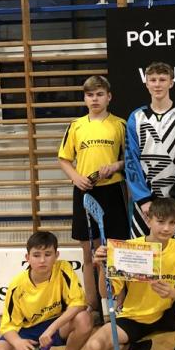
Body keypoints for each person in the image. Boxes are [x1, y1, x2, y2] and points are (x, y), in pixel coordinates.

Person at [84, 197, 175, 350]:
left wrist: (172, 292)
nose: (166, 228)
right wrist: (104, 267)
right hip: (133, 317)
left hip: (166, 313)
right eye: (160, 221)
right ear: (148, 220)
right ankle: (135, 347)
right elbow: (106, 294)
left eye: (172, 223)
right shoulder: (128, 249)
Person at [0, 231, 92, 350]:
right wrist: (18, 343)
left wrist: (51, 329)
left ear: (56, 255)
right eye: (36, 255)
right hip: (26, 332)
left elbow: (79, 304)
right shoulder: (17, 286)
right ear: (28, 258)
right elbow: (7, 326)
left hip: (56, 326)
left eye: (48, 254)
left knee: (84, 319)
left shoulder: (63, 269)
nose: (42, 260)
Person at [58, 75, 128, 324]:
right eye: (90, 95)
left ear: (109, 97)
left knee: (116, 252)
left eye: (99, 94)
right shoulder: (76, 126)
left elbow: (130, 159)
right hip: (85, 192)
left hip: (113, 191)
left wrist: (116, 165)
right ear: (85, 99)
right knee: (89, 254)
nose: (95, 99)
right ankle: (94, 307)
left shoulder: (120, 125)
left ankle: (119, 307)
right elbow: (64, 159)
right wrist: (76, 178)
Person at [125, 61, 175, 261]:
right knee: (141, 257)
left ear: (171, 83)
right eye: (153, 80)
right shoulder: (136, 117)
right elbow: (131, 160)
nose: (157, 84)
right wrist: (143, 199)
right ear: (146, 83)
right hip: (146, 201)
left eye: (162, 79)